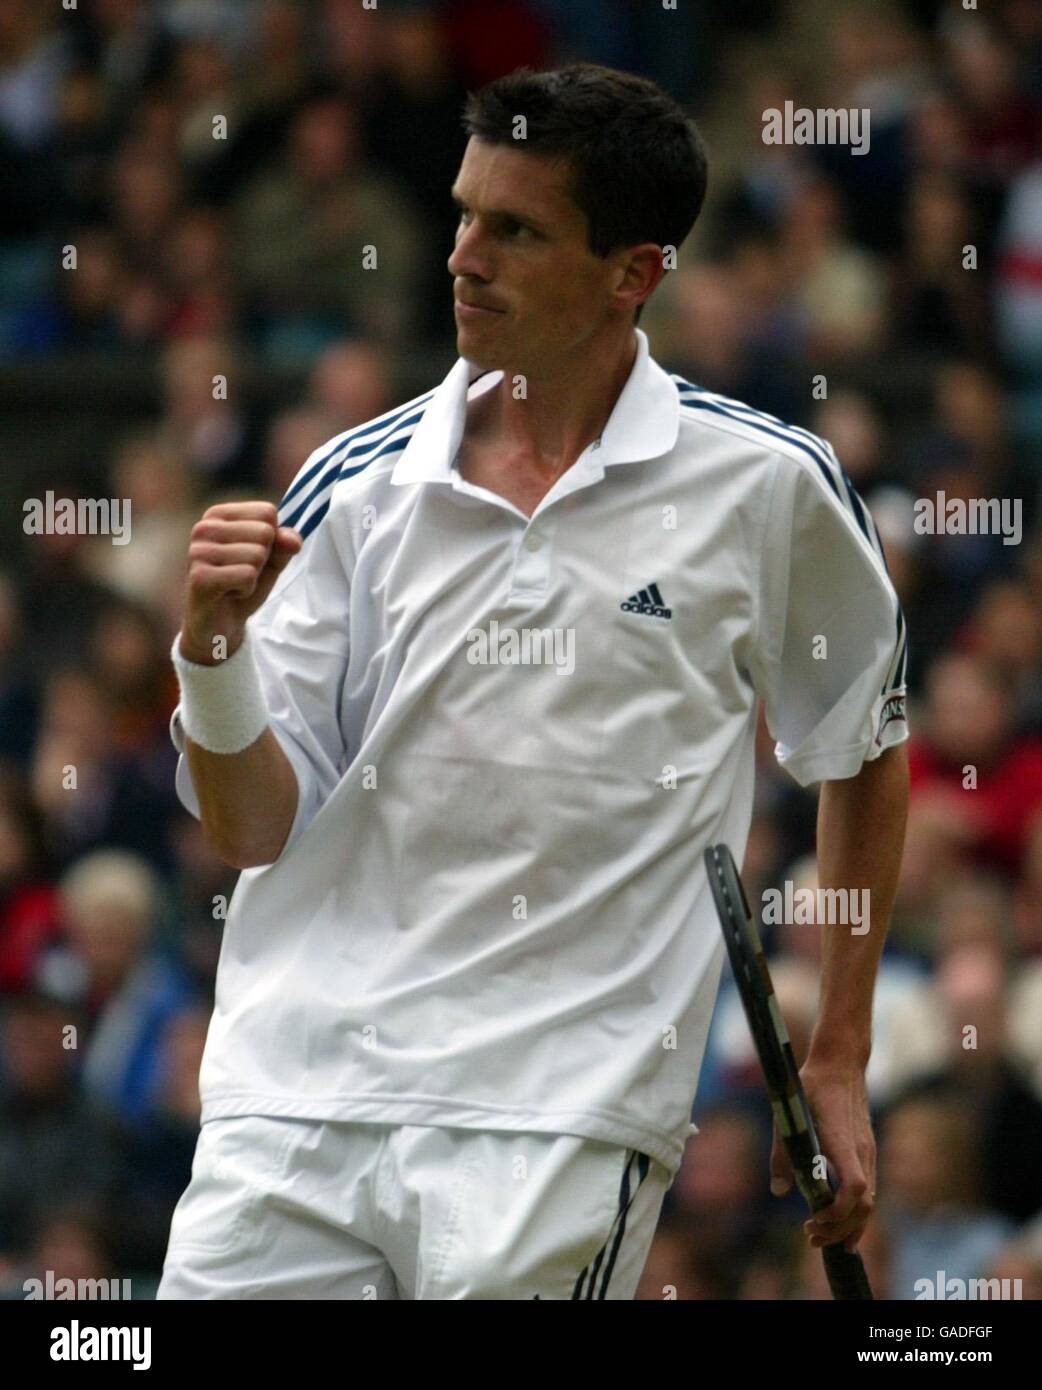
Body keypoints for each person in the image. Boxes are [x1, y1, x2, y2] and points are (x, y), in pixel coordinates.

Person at [157, 63, 909, 1301]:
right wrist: (210, 655)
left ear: (633, 272)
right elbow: (250, 827)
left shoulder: (769, 487)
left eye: (514, 229)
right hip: (292, 1107)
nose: (463, 255)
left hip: (562, 1125)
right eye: (463, 215)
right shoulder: (351, 484)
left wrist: (837, 1052)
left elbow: (863, 748)